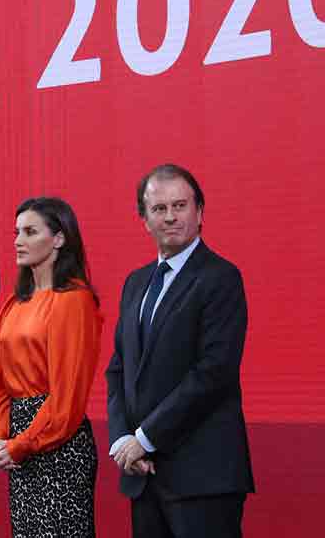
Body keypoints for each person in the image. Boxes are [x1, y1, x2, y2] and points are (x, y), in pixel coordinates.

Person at [105, 164, 255, 538]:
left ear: (200, 212)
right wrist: (124, 440)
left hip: (202, 477)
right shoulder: (136, 283)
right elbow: (119, 370)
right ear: (144, 219)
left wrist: (144, 439)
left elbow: (213, 373)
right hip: (143, 476)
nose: (170, 217)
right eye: (158, 209)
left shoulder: (220, 277)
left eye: (180, 205)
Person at [0, 197, 103, 537]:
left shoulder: (74, 301)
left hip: (58, 447)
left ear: (59, 239)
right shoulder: (15, 302)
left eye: (30, 232)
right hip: (18, 443)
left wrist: (19, 445)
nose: (18, 240)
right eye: (17, 232)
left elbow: (67, 397)